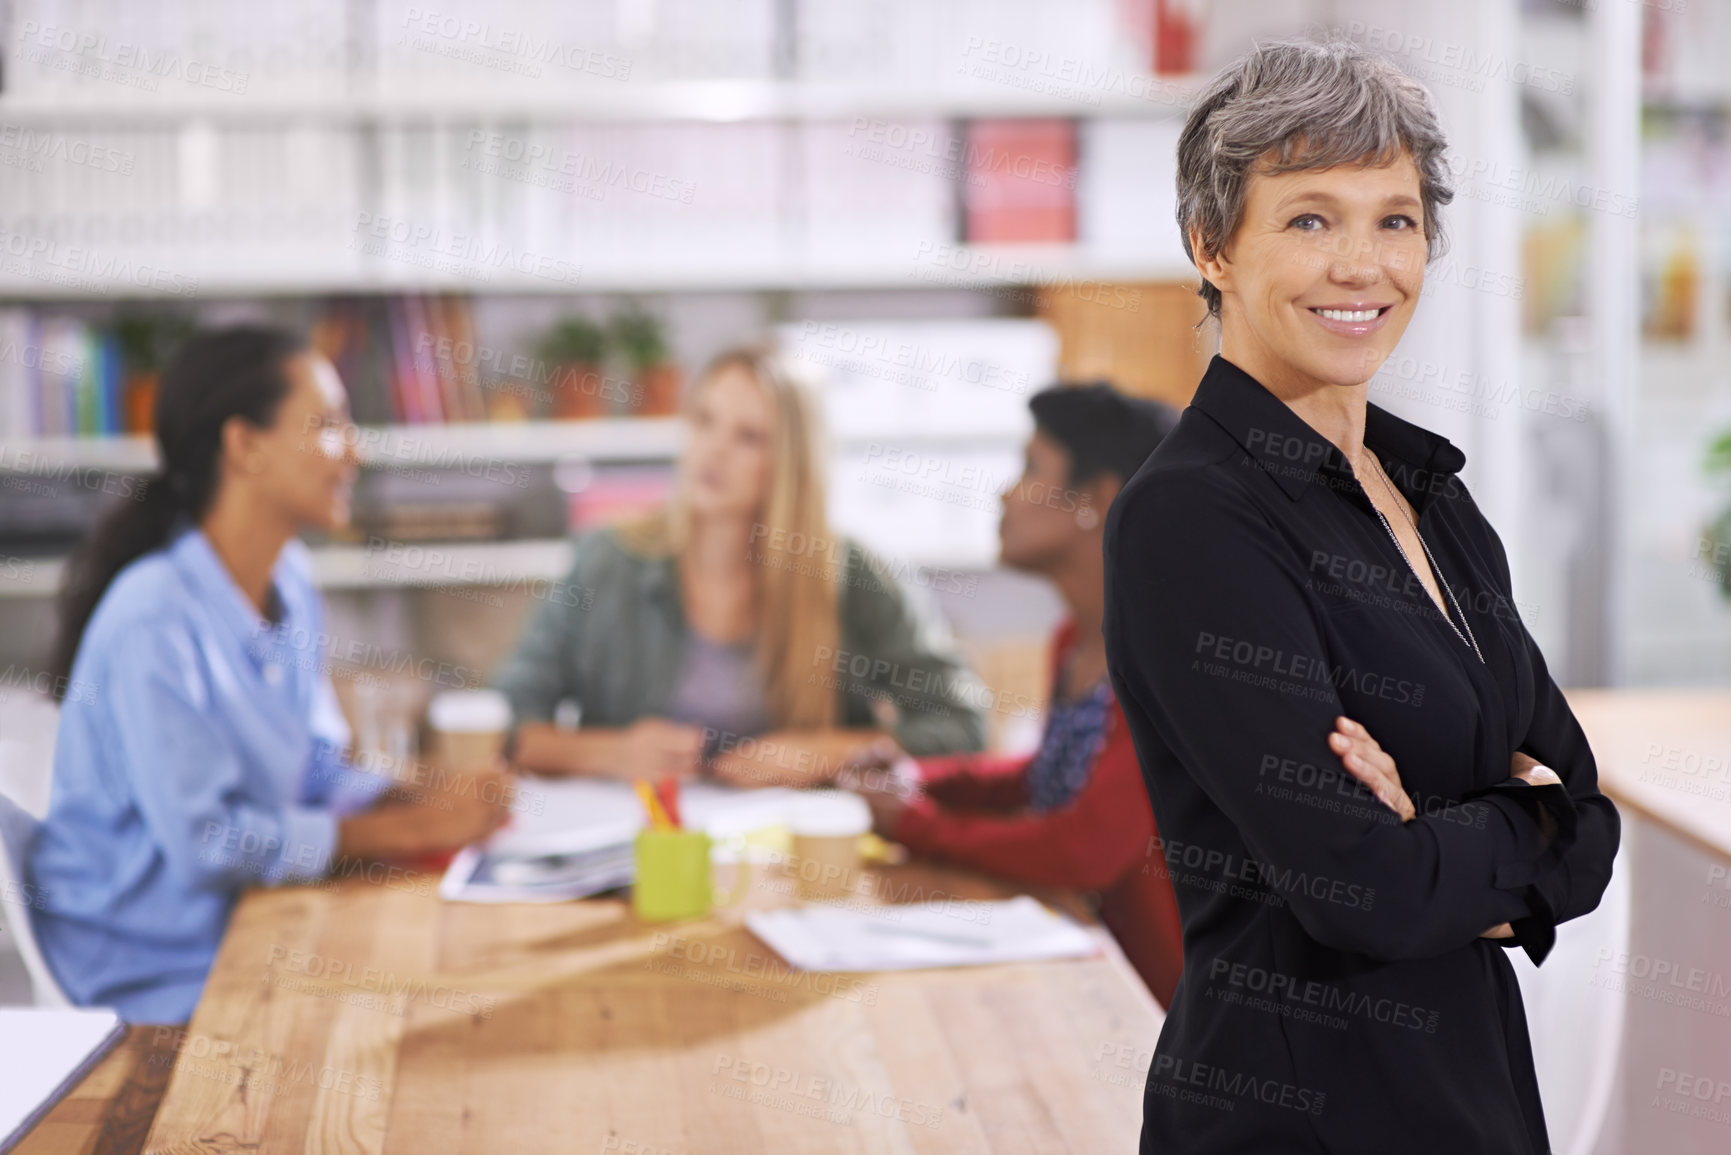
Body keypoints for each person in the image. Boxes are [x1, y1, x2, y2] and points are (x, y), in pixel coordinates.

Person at [1101, 40, 1620, 1153]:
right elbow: (1367, 894)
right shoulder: (1191, 519)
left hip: (1476, 1104)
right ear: (1213, 247)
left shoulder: (1435, 496)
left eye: (1394, 220)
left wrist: (1444, 835)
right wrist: (1507, 827)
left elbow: (1589, 821)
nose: (1362, 264)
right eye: (1308, 220)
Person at [29, 326, 510, 1023]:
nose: (356, 448)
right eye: (328, 425)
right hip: (155, 972)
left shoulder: (289, 578)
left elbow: (312, 771)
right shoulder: (153, 618)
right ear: (244, 445)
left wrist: (416, 790)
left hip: (253, 925)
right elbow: (210, 844)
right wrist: (405, 830)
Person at [493, 343, 987, 787]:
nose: (714, 450)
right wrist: (610, 752)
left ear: (791, 464)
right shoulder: (606, 560)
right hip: (643, 842)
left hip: (797, 854)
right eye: (705, 421)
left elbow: (964, 727)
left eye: (749, 437)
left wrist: (824, 753)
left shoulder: (856, 576)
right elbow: (506, 721)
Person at [843, 383, 1185, 1006]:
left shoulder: (1165, 658)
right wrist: (924, 780)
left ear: (1096, 499)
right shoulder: (1074, 640)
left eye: (1031, 468)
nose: (1006, 493)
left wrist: (920, 825)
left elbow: (1088, 845)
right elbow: (1051, 780)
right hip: (1082, 958)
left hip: (1157, 1007)